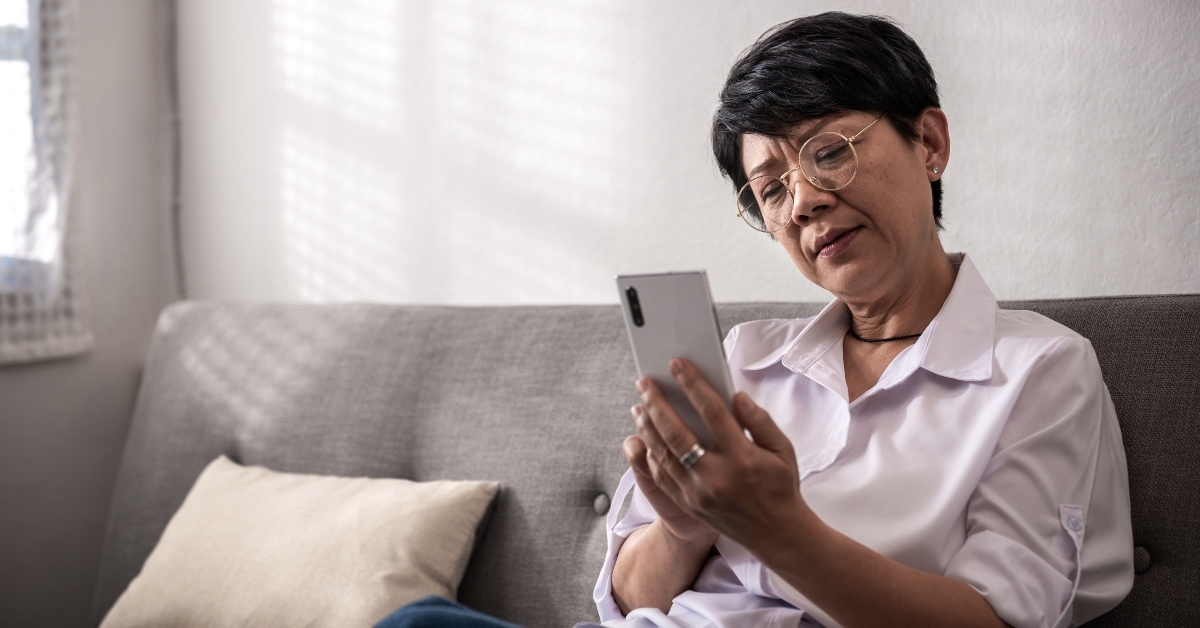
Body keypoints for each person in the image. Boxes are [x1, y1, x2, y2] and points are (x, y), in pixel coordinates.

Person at [376, 11, 1133, 628]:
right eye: (769, 191)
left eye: (827, 152)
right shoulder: (744, 359)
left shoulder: (1039, 370)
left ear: (929, 143)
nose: (801, 203)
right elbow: (631, 601)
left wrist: (776, 525)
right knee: (418, 622)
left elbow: (996, 620)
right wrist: (684, 529)